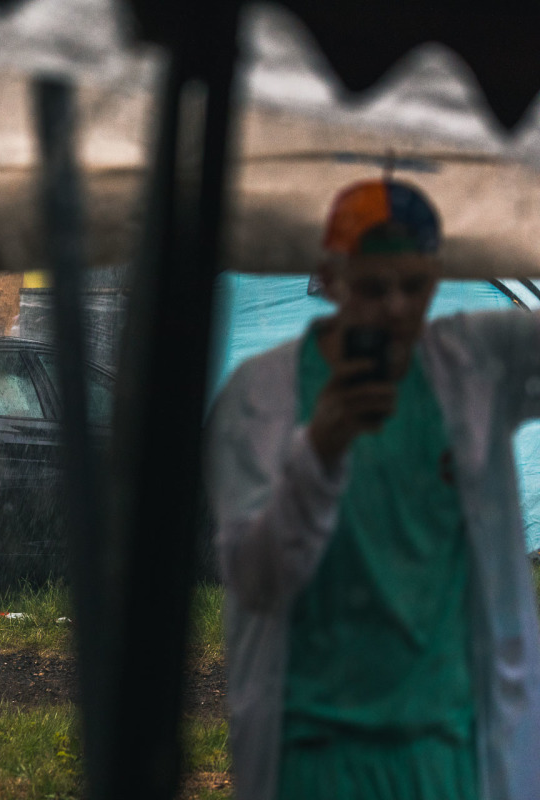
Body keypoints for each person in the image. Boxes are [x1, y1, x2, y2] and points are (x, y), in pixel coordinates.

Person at [207, 178, 540, 800]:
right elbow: (254, 579)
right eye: (372, 287)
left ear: (435, 281)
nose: (393, 309)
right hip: (315, 752)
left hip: (447, 748)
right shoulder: (261, 399)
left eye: (412, 287)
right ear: (328, 279)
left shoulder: (475, 365)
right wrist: (321, 453)